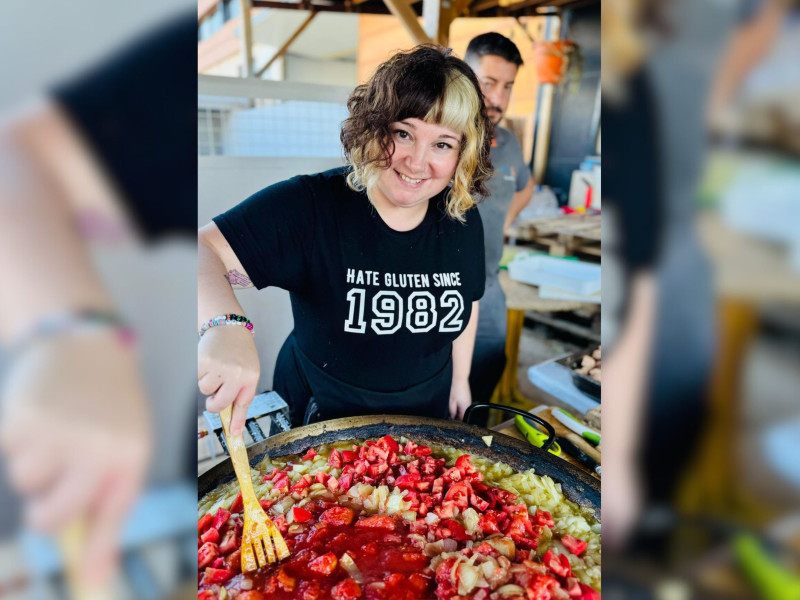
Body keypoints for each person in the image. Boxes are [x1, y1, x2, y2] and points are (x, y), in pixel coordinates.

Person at [198, 45, 493, 434]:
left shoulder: (461, 216)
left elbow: (466, 300)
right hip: (320, 416)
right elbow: (200, 250)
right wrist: (225, 325)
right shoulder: (313, 206)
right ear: (374, 127)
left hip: (426, 411)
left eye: (442, 144)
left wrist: (461, 378)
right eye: (403, 133)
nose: (418, 161)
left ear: (462, 153)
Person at [463, 33, 534, 406]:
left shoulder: (508, 143)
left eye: (508, 86)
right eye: (488, 83)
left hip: (489, 287)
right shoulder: (445, 137)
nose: (498, 99)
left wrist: (503, 220)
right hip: (441, 287)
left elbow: (527, 185)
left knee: (490, 366)